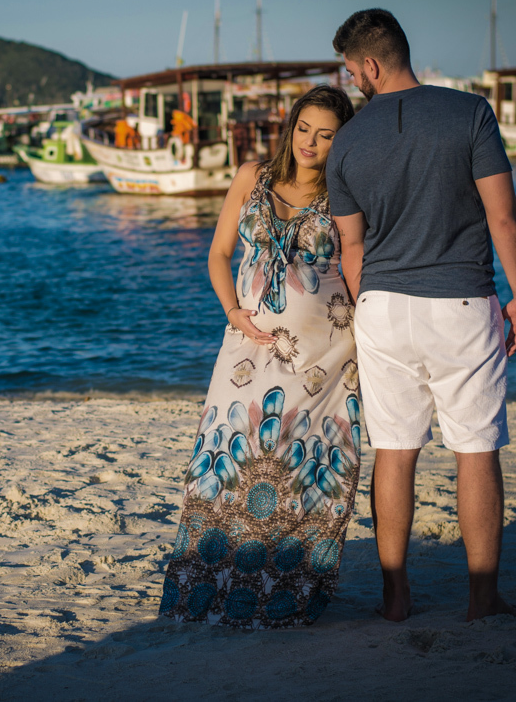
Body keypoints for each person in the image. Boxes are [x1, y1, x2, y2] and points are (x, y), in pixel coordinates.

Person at [325, 9, 516, 622]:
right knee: (475, 448)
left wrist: (372, 307)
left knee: (394, 449)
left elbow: (352, 248)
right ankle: (481, 597)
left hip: (382, 307)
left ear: (369, 64)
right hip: (461, 302)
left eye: (349, 70)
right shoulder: (469, 113)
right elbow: (502, 217)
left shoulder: (348, 142)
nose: (350, 81)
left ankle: (396, 596)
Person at [159, 86, 359, 628]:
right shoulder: (253, 177)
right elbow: (219, 253)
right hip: (245, 347)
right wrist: (232, 310)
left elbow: (361, 267)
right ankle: (211, 587)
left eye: (326, 134)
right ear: (290, 126)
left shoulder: (346, 193)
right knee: (226, 457)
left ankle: (284, 596)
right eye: (304, 129)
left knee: (299, 465)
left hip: (324, 356)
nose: (311, 143)